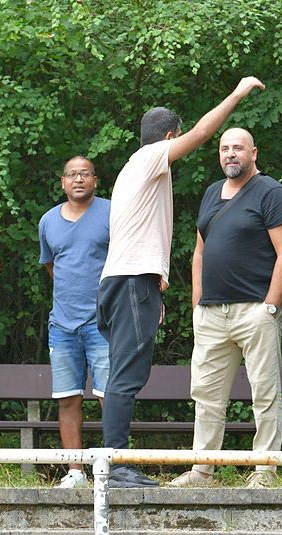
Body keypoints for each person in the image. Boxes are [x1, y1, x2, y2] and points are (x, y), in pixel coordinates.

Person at [96, 76, 265, 488]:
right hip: (130, 281)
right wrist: (237, 93)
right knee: (126, 376)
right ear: (169, 136)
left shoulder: (135, 170)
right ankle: (115, 466)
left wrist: (154, 286)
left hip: (131, 282)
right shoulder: (149, 157)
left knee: (124, 372)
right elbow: (204, 133)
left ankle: (114, 463)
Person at [169, 128, 282, 489]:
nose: (230, 154)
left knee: (264, 393)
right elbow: (199, 252)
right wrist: (197, 303)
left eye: (238, 148)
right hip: (211, 313)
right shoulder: (212, 192)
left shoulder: (271, 192)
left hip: (255, 310)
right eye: (225, 148)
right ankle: (202, 471)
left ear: (253, 153)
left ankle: (265, 471)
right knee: (206, 395)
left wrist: (270, 307)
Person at [38, 155, 110, 489]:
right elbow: (52, 266)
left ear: (95, 180)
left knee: (110, 397)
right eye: (72, 174)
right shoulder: (48, 221)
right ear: (62, 182)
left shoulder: (112, 212)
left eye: (85, 173)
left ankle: (113, 470)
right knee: (67, 398)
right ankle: (76, 472)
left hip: (103, 322)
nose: (78, 179)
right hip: (62, 326)